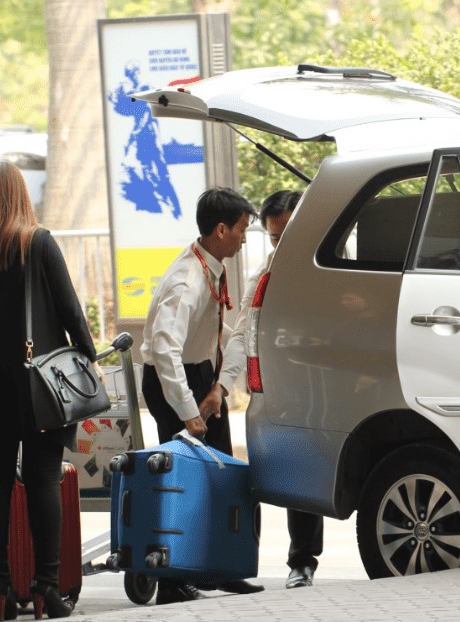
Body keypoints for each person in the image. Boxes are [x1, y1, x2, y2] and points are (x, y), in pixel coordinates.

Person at [0, 161, 100, 620]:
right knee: (42, 480)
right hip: (42, 388)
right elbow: (71, 311)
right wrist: (89, 362)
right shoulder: (37, 242)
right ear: (19, 194)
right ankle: (44, 589)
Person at [139, 187, 264, 604]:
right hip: (171, 381)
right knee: (183, 482)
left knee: (223, 475)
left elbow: (228, 333)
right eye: (243, 228)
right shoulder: (186, 279)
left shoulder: (215, 268)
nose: (246, 237)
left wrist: (219, 388)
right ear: (221, 229)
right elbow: (163, 350)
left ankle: (223, 567)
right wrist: (189, 410)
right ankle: (173, 582)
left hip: (201, 376)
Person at [218, 190, 324, 589]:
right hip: (273, 383)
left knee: (308, 467)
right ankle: (265, 562)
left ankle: (303, 559)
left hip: (318, 381)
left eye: (288, 236)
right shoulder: (265, 272)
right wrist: (225, 384)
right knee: (272, 471)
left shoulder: (330, 263)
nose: (282, 246)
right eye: (276, 238)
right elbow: (245, 324)